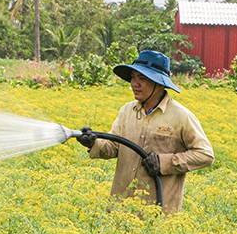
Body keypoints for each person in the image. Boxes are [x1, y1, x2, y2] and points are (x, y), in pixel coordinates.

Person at [76, 50, 214, 214]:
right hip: (121, 210)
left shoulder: (180, 116)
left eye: (143, 78)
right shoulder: (127, 111)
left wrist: (164, 162)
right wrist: (93, 143)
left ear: (160, 84)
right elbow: (113, 147)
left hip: (158, 213)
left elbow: (205, 155)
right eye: (133, 77)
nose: (135, 83)